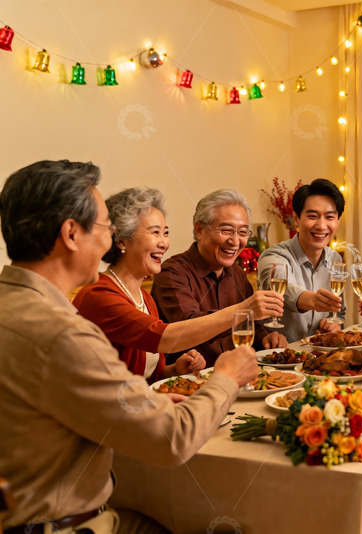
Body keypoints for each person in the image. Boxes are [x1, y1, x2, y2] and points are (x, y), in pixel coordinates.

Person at [0, 160, 258, 534]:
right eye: (105, 227)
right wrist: (227, 378)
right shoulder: (64, 333)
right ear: (71, 234)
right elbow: (173, 439)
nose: (107, 239)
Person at [74, 187, 284, 383]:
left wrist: (175, 370)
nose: (164, 243)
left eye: (165, 233)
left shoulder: (143, 298)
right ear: (121, 240)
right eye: (155, 233)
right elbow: (165, 337)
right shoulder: (99, 294)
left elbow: (150, 376)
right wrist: (245, 310)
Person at [152, 189, 287, 366]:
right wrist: (245, 310)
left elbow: (254, 325)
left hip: (240, 375)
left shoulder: (237, 273)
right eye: (227, 230)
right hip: (191, 382)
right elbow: (188, 327)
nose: (235, 241)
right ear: (199, 230)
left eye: (243, 232)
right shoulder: (172, 273)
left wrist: (268, 336)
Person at [257, 178, 346, 343]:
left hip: (319, 357)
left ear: (337, 221)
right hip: (279, 356)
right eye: (312, 216)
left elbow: (339, 314)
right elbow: (284, 290)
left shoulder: (335, 259)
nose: (321, 225)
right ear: (296, 218)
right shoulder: (273, 256)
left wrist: (335, 326)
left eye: (329, 217)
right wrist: (313, 300)